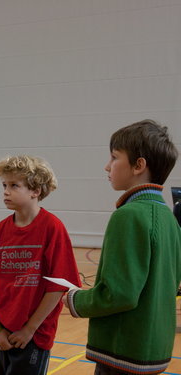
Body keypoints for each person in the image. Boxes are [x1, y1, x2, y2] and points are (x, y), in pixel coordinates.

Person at [64, 120, 181, 375]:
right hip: (155, 350)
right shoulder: (169, 218)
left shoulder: (128, 215)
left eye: (114, 157)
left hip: (123, 351)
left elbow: (119, 294)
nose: (107, 166)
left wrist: (76, 299)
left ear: (139, 165)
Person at [0, 155, 81, 375]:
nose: (6, 191)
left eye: (14, 185)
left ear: (35, 190)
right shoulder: (0, 230)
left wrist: (29, 329)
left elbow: (58, 287)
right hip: (3, 333)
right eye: (4, 185)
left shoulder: (52, 228)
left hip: (34, 335)